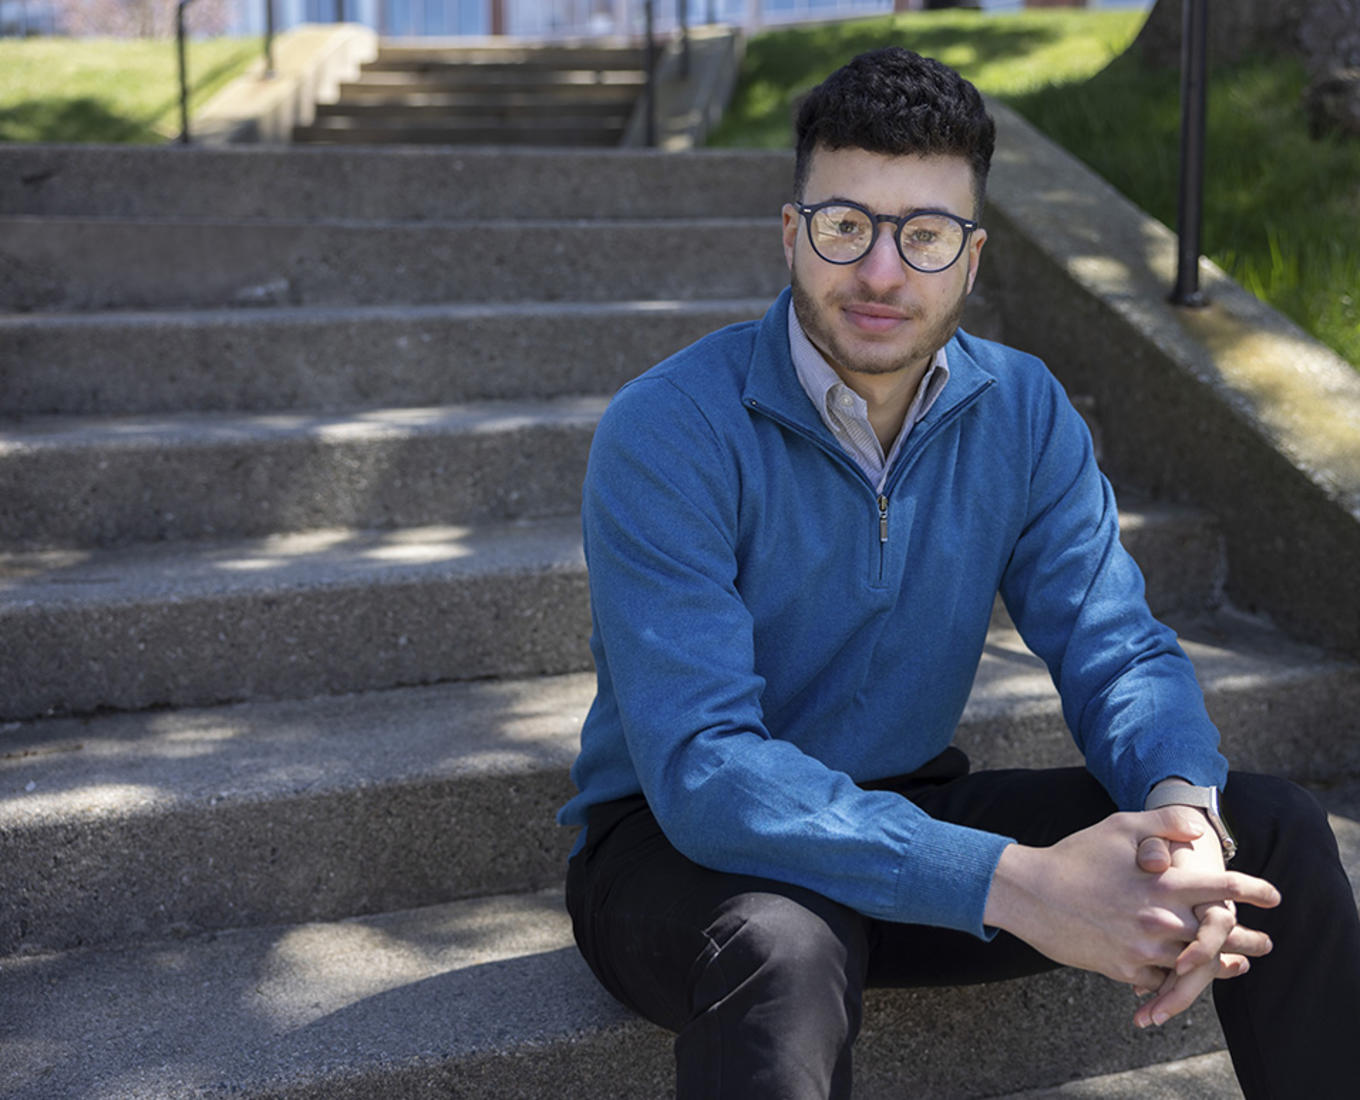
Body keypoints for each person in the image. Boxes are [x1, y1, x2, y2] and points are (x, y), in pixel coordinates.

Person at [558, 47, 1360, 1099]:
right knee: (784, 945)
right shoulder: (668, 427)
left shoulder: (1022, 408)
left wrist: (1183, 820)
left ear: (971, 259)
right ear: (791, 233)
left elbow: (1116, 648)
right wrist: (1020, 883)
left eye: (925, 235)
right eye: (846, 226)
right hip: (680, 851)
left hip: (909, 810)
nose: (882, 273)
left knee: (1268, 832)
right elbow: (705, 766)